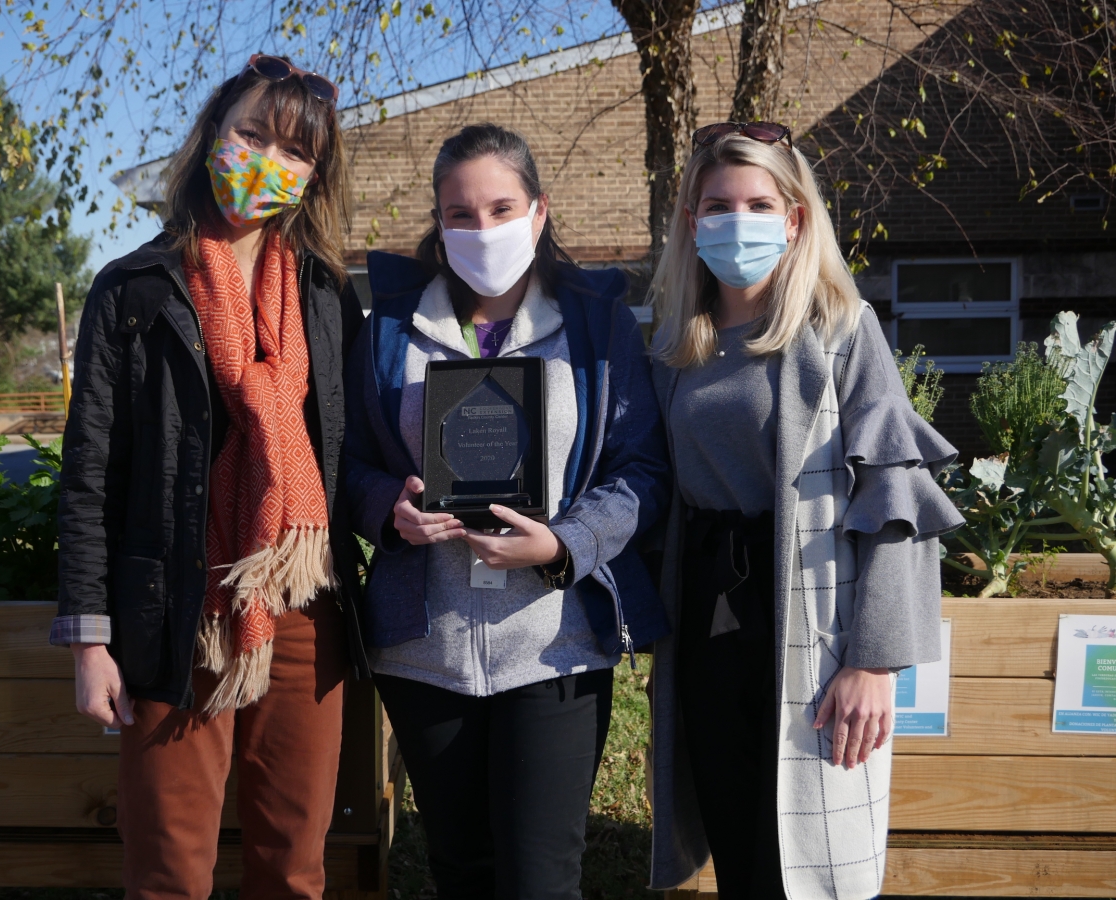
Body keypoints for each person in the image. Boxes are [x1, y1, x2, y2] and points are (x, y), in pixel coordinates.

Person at [52, 54, 366, 900]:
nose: (268, 159)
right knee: (167, 873)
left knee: (294, 867)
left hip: (303, 609)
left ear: (315, 174)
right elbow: (89, 474)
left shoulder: (330, 296)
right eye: (251, 132)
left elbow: (352, 452)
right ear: (213, 137)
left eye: (295, 150)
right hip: (175, 618)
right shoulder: (134, 291)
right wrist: (88, 637)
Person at [344, 122, 670, 900]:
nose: (482, 228)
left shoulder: (596, 326)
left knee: (540, 879)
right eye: (460, 214)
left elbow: (641, 469)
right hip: (427, 652)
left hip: (554, 644)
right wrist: (386, 505)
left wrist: (565, 544)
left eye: (501, 207)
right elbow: (345, 462)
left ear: (539, 211)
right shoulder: (388, 329)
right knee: (460, 869)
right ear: (438, 222)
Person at [645, 122, 964, 900]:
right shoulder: (671, 342)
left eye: (759, 202)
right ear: (691, 221)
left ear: (794, 218)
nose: (737, 219)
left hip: (814, 629)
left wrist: (875, 658)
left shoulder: (840, 331)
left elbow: (896, 496)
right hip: (710, 627)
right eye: (718, 204)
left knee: (811, 864)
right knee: (739, 851)